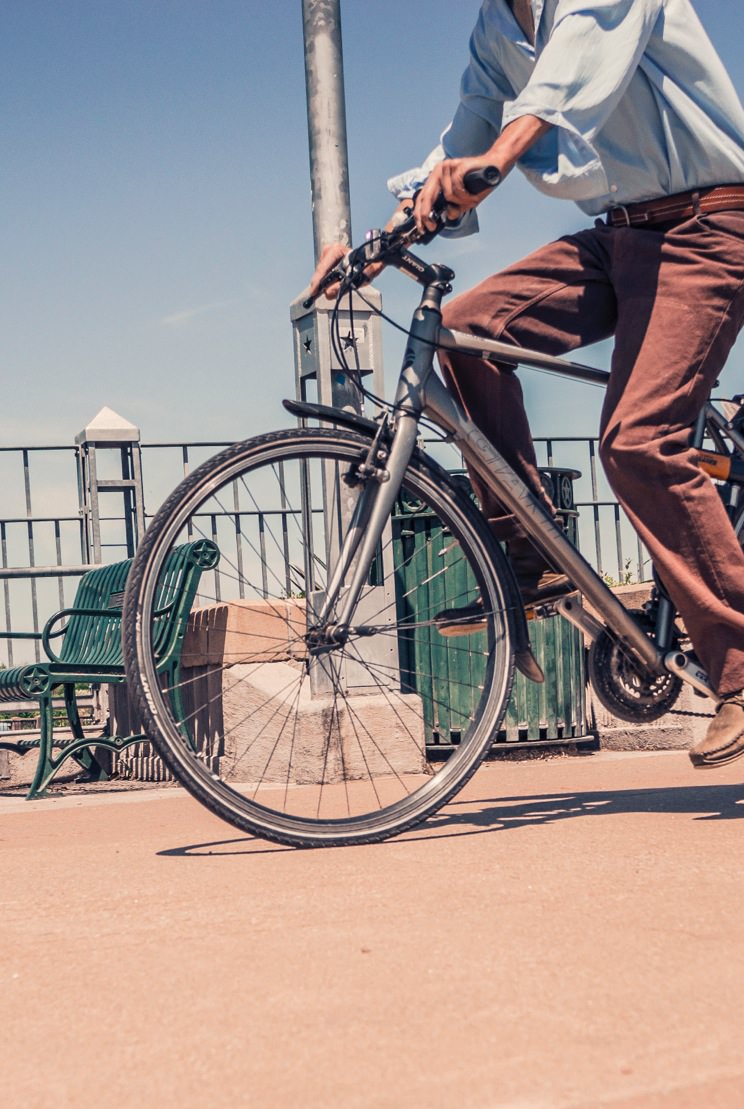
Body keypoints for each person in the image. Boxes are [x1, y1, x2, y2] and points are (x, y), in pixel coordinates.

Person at [309, 0, 744, 769]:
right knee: (470, 330)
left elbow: (565, 81)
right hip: (623, 233)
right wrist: (377, 244)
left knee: (639, 440)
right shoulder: (495, 29)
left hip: (710, 225)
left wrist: (498, 162)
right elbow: (464, 134)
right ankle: (528, 552)